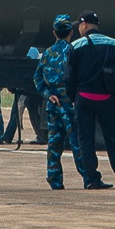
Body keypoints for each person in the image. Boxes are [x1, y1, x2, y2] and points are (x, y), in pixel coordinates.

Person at [68, 14, 115, 190]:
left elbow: (69, 77)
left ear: (84, 25)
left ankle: (92, 179)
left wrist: (72, 98)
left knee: (86, 140)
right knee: (114, 139)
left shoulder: (75, 46)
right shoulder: (112, 43)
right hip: (106, 99)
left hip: (84, 98)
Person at [34, 15, 81, 189]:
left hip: (54, 105)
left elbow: (37, 78)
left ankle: (55, 179)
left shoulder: (47, 53)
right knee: (77, 142)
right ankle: (88, 177)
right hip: (71, 104)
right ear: (71, 32)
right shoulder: (74, 51)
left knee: (54, 144)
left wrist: (48, 94)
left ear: (54, 33)